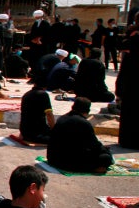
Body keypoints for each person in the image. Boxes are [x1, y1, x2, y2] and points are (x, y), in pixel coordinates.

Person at [47, 97, 114, 173]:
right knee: (106, 157)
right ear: (87, 111)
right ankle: (95, 168)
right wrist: (105, 150)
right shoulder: (83, 123)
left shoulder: (62, 118)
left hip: (53, 159)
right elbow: (95, 145)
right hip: (68, 162)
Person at [116, 14, 139, 148]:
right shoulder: (134, 36)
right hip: (132, 79)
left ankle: (128, 140)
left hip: (132, 80)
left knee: (130, 111)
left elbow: (122, 45)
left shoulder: (133, 36)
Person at [26, 10, 51, 76]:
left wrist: (40, 39)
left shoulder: (46, 23)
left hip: (42, 46)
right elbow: (32, 33)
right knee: (33, 60)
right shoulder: (35, 23)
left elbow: (47, 34)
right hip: (35, 46)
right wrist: (33, 39)